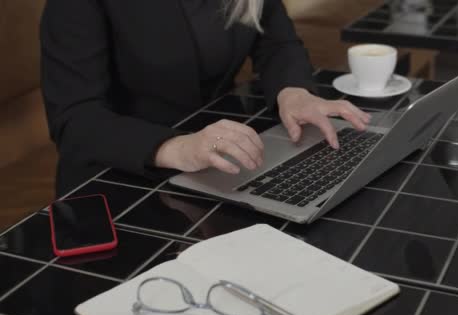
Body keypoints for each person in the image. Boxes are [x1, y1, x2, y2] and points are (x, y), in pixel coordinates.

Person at [41, 0, 371, 196]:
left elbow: (277, 44)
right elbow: (74, 119)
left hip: (214, 166)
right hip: (117, 179)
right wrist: (178, 147)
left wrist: (294, 92)